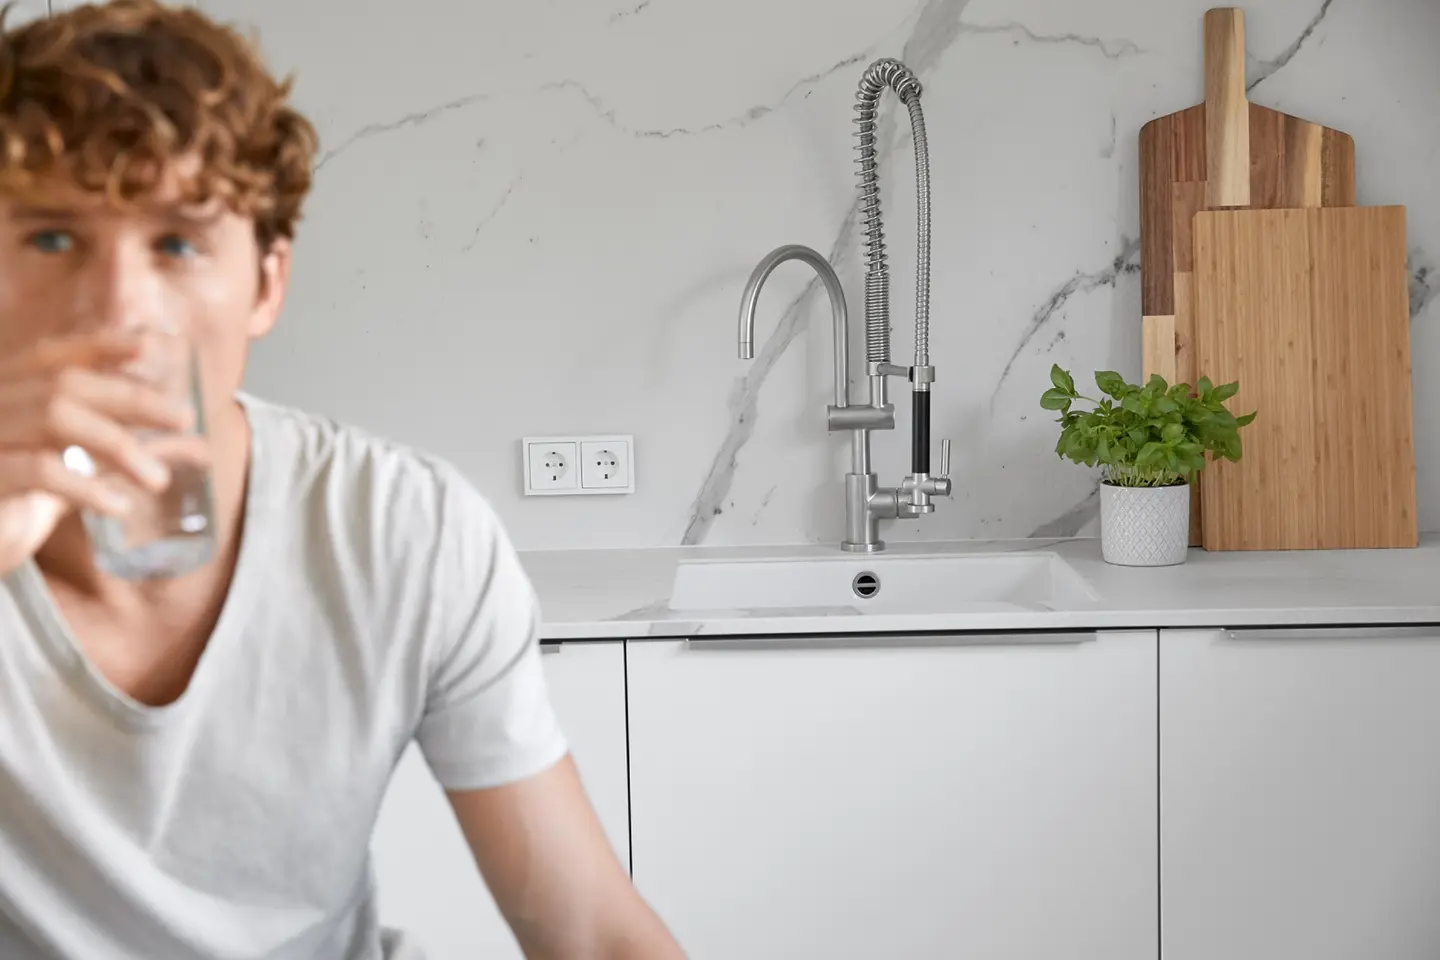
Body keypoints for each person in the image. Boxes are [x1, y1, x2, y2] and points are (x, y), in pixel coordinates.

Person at [0, 1, 686, 958]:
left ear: (266, 284)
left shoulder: (404, 530)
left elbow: (591, 933)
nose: (120, 311)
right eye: (52, 239)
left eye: (179, 243)